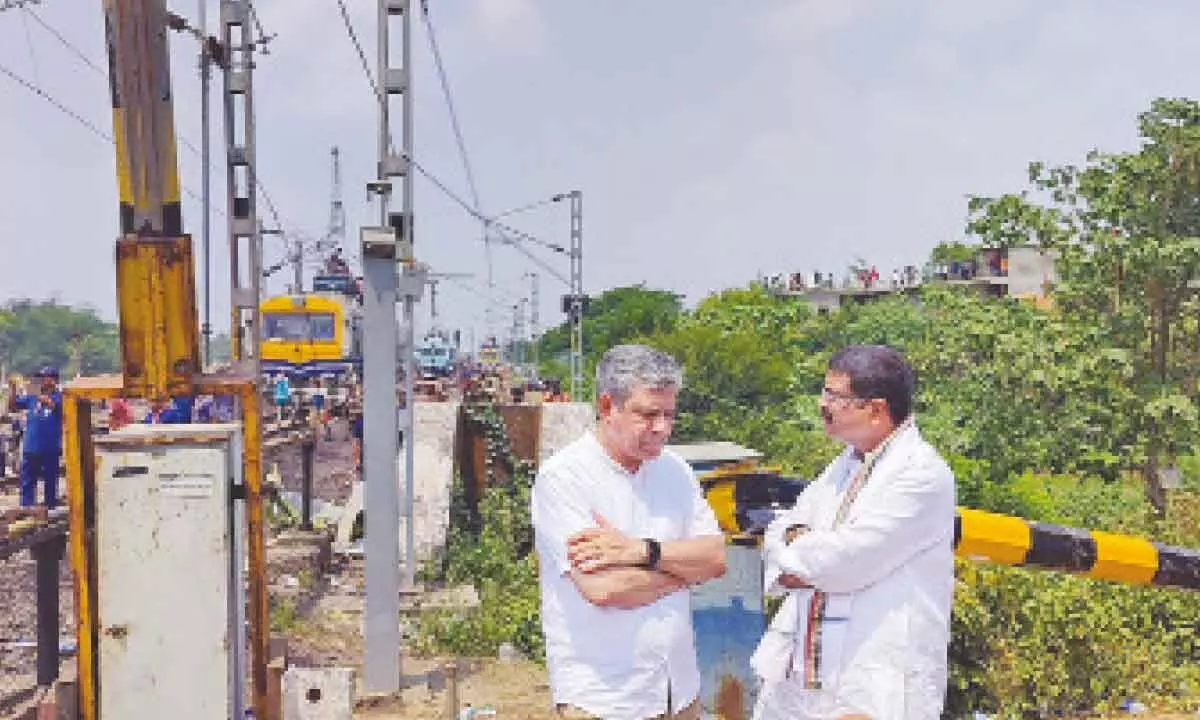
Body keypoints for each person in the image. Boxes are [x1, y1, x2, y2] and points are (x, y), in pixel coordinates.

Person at [750, 345, 956, 720]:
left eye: (834, 396)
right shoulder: (845, 463)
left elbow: (842, 563)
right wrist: (799, 548)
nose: (821, 404)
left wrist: (802, 552)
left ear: (875, 409)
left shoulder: (921, 474)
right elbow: (780, 527)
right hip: (803, 677)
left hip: (873, 680)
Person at [531, 344, 727, 720]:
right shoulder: (565, 478)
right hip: (605, 696)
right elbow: (605, 588)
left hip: (678, 690)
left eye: (669, 414)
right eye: (648, 414)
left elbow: (716, 559)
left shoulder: (675, 471)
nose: (662, 428)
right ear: (608, 407)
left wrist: (643, 551)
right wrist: (684, 572)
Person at [8, 367, 64, 509]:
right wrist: (13, 389)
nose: (41, 381)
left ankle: (50, 509)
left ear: (53, 380)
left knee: (50, 482)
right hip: (31, 447)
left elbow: (51, 404)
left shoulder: (59, 397)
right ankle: (26, 509)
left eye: (44, 378)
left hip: (50, 448)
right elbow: (13, 406)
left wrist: (33, 390)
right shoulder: (31, 397)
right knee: (27, 482)